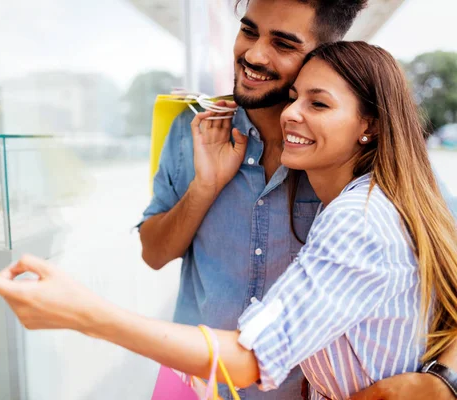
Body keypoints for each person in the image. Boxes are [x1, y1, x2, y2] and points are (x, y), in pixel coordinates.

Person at [0, 41, 457, 399]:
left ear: (369, 125)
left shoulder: (360, 217)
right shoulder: (205, 136)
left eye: (319, 103)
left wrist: (84, 314)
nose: (291, 113)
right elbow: (153, 252)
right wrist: (206, 185)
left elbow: (250, 356)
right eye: (295, 96)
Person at [138, 0, 457, 398]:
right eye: (249, 31)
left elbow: (446, 262)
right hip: (194, 383)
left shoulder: (374, 177)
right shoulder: (194, 129)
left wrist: (443, 379)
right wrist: (204, 188)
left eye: (284, 44)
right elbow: (153, 253)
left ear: (319, 55)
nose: (253, 55)